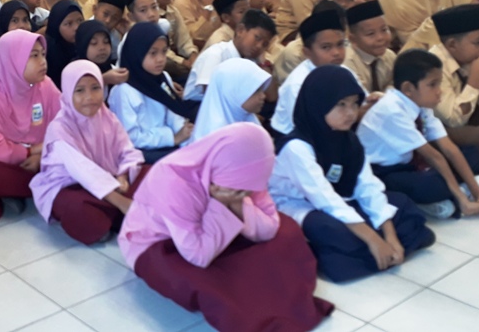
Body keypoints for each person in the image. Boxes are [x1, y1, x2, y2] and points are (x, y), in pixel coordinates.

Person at [120, 123, 334, 331]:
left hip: (220, 226)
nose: (249, 191)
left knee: (287, 232)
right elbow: (198, 256)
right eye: (241, 189)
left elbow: (270, 228)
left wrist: (238, 203)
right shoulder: (173, 180)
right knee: (205, 281)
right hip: (163, 244)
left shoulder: (249, 165)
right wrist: (222, 204)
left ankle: (276, 295)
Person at [271, 65, 436, 282]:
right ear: (318, 103)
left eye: (355, 104)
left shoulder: (348, 139)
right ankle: (369, 252)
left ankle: (370, 255)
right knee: (329, 229)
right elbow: (324, 199)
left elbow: (367, 185)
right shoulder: (296, 147)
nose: (351, 113)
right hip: (303, 206)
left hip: (342, 199)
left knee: (401, 203)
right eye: (341, 104)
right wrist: (373, 239)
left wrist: (390, 235)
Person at [358, 49, 479, 219]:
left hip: (412, 165)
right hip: (383, 173)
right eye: (432, 85)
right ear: (408, 88)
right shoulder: (391, 110)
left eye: (439, 84)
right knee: (427, 185)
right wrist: (463, 202)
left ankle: (450, 194)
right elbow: (434, 157)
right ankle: (450, 196)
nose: (439, 91)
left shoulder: (420, 103)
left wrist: (478, 193)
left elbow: (449, 148)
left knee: (472, 153)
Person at [30, 60, 145, 244]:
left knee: (151, 173)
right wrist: (121, 202)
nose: (89, 97)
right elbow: (82, 171)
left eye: (95, 88)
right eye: (80, 90)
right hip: (70, 185)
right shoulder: (60, 128)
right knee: (77, 207)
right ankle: (121, 214)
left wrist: (123, 176)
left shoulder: (106, 116)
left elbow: (126, 149)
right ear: (68, 93)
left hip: (109, 177)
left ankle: (115, 215)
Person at [0, 30, 62, 223]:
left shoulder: (45, 85)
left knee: (74, 156)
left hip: (40, 156)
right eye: (34, 56)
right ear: (13, 60)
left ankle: (19, 192)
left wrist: (41, 155)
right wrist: (29, 152)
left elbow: (64, 124)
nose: (43, 62)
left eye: (43, 54)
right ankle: (41, 189)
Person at [108, 22, 197, 163]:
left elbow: (173, 113)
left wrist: (186, 134)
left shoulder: (163, 78)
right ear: (137, 53)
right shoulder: (124, 90)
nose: (160, 59)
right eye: (153, 53)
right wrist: (172, 138)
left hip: (167, 144)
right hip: (140, 151)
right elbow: (131, 138)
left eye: (164, 51)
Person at [428, 4, 479, 162]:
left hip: (466, 115)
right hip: (435, 126)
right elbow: (453, 119)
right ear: (452, 44)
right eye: (478, 43)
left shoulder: (469, 57)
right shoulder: (433, 66)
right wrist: (474, 82)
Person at [272, 8, 347, 135]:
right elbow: (309, 128)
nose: (336, 52)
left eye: (340, 44)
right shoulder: (298, 85)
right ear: (307, 52)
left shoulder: (344, 70)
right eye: (326, 47)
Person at [185, 8, 276, 101]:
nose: (259, 46)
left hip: (230, 105)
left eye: (265, 44)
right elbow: (210, 93)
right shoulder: (216, 54)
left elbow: (272, 97)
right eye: (257, 38)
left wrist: (263, 63)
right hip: (200, 105)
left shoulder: (252, 60)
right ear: (240, 30)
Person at [191, 58, 271, 141]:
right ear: (233, 93)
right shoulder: (216, 136)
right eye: (256, 90)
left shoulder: (248, 118)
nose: (263, 96)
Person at [140, 0, 199, 80]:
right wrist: (183, 62)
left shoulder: (173, 11)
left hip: (177, 57)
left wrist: (192, 54)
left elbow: (184, 39)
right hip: (160, 61)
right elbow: (159, 49)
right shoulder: (149, 17)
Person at [343, 0, 396, 94]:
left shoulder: (390, 56)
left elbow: (396, 84)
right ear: (353, 39)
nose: (380, 38)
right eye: (370, 34)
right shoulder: (347, 63)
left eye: (384, 30)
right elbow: (359, 96)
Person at [45, 0, 84, 87]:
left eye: (80, 21)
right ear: (56, 26)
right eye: (69, 24)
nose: (76, 27)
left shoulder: (86, 46)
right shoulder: (47, 53)